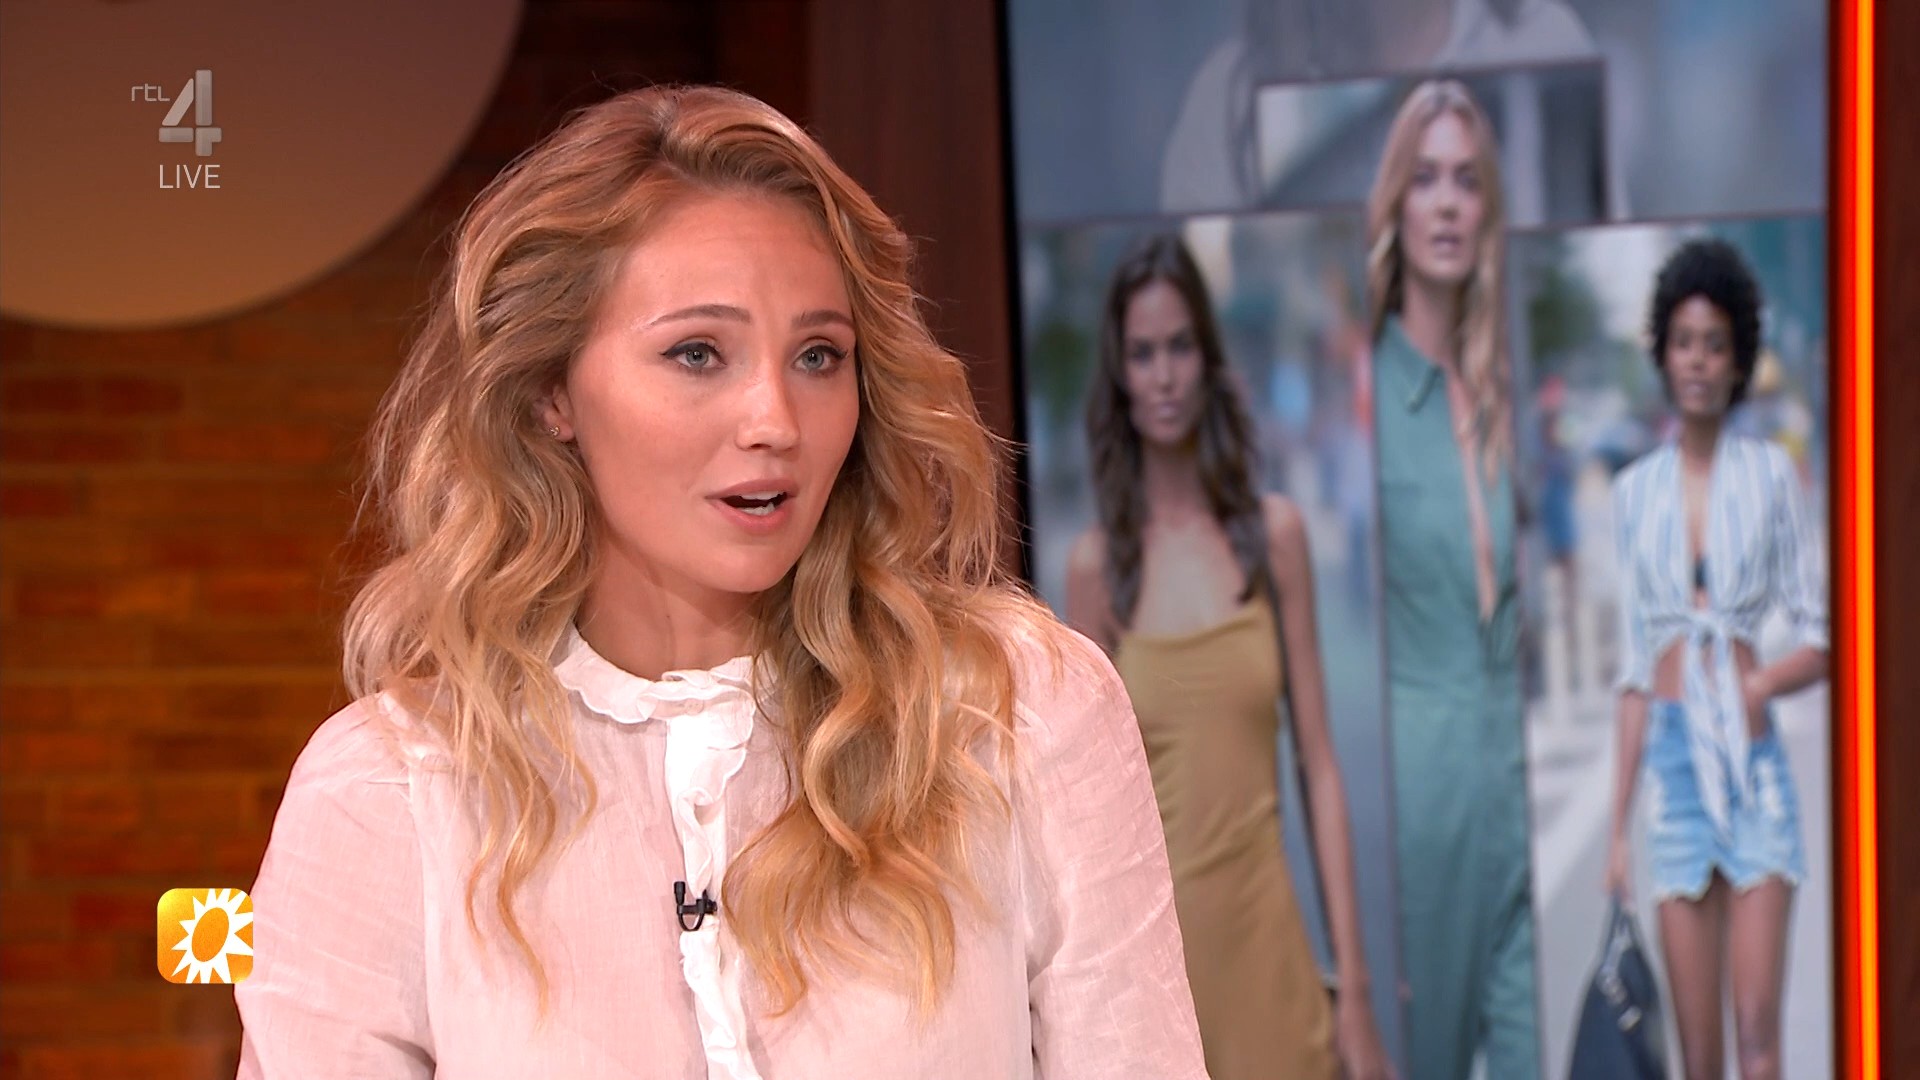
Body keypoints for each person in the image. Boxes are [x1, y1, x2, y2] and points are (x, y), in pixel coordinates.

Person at [233, 84, 1209, 1079]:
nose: (775, 421)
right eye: (698, 353)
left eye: (819, 355)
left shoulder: (1019, 714)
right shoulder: (388, 794)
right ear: (551, 391)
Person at [1064, 233, 1395, 1080]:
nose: (1164, 375)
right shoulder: (1096, 573)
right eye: (1143, 353)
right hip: (1159, 994)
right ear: (1120, 374)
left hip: (1273, 966)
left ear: (1207, 361)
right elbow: (1084, 831)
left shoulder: (1273, 539)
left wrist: (1356, 992)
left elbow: (1320, 768)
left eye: (1180, 347)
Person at [1603, 238, 1825, 1080]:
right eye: (1684, 343)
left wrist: (1760, 683)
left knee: (1758, 1043)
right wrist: (1617, 833)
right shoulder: (1633, 493)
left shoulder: (1771, 476)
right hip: (1672, 769)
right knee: (1699, 1060)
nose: (1698, 361)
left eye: (1715, 345)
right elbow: (1633, 670)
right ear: (1663, 354)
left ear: (1738, 362)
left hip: (1755, 769)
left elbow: (1824, 631)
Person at [1364, 80, 1540, 1080]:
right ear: (1396, 204)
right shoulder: (1367, 397)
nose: (1446, 203)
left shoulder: (1499, 395)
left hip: (1512, 800)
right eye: (1425, 178)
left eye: (1467, 182)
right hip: (1418, 824)